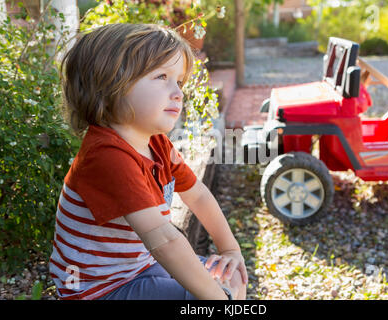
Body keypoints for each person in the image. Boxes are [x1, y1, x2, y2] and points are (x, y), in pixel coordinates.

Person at [48, 23, 247, 300]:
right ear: (110, 84)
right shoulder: (106, 155)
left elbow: (198, 195)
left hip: (139, 268)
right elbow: (164, 240)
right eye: (161, 76)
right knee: (209, 295)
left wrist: (230, 250)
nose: (178, 92)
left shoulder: (156, 143)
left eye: (179, 81)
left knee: (229, 275)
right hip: (98, 289)